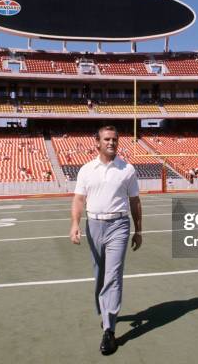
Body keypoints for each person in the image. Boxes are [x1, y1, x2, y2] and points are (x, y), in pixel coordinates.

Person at [70, 125, 142, 356]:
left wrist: (139, 230)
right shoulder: (86, 170)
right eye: (107, 139)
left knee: (113, 275)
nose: (112, 142)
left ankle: (109, 330)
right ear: (97, 143)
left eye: (115, 139)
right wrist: (75, 224)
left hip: (119, 225)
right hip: (94, 225)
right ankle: (105, 311)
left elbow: (135, 202)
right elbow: (79, 199)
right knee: (100, 273)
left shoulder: (127, 169)